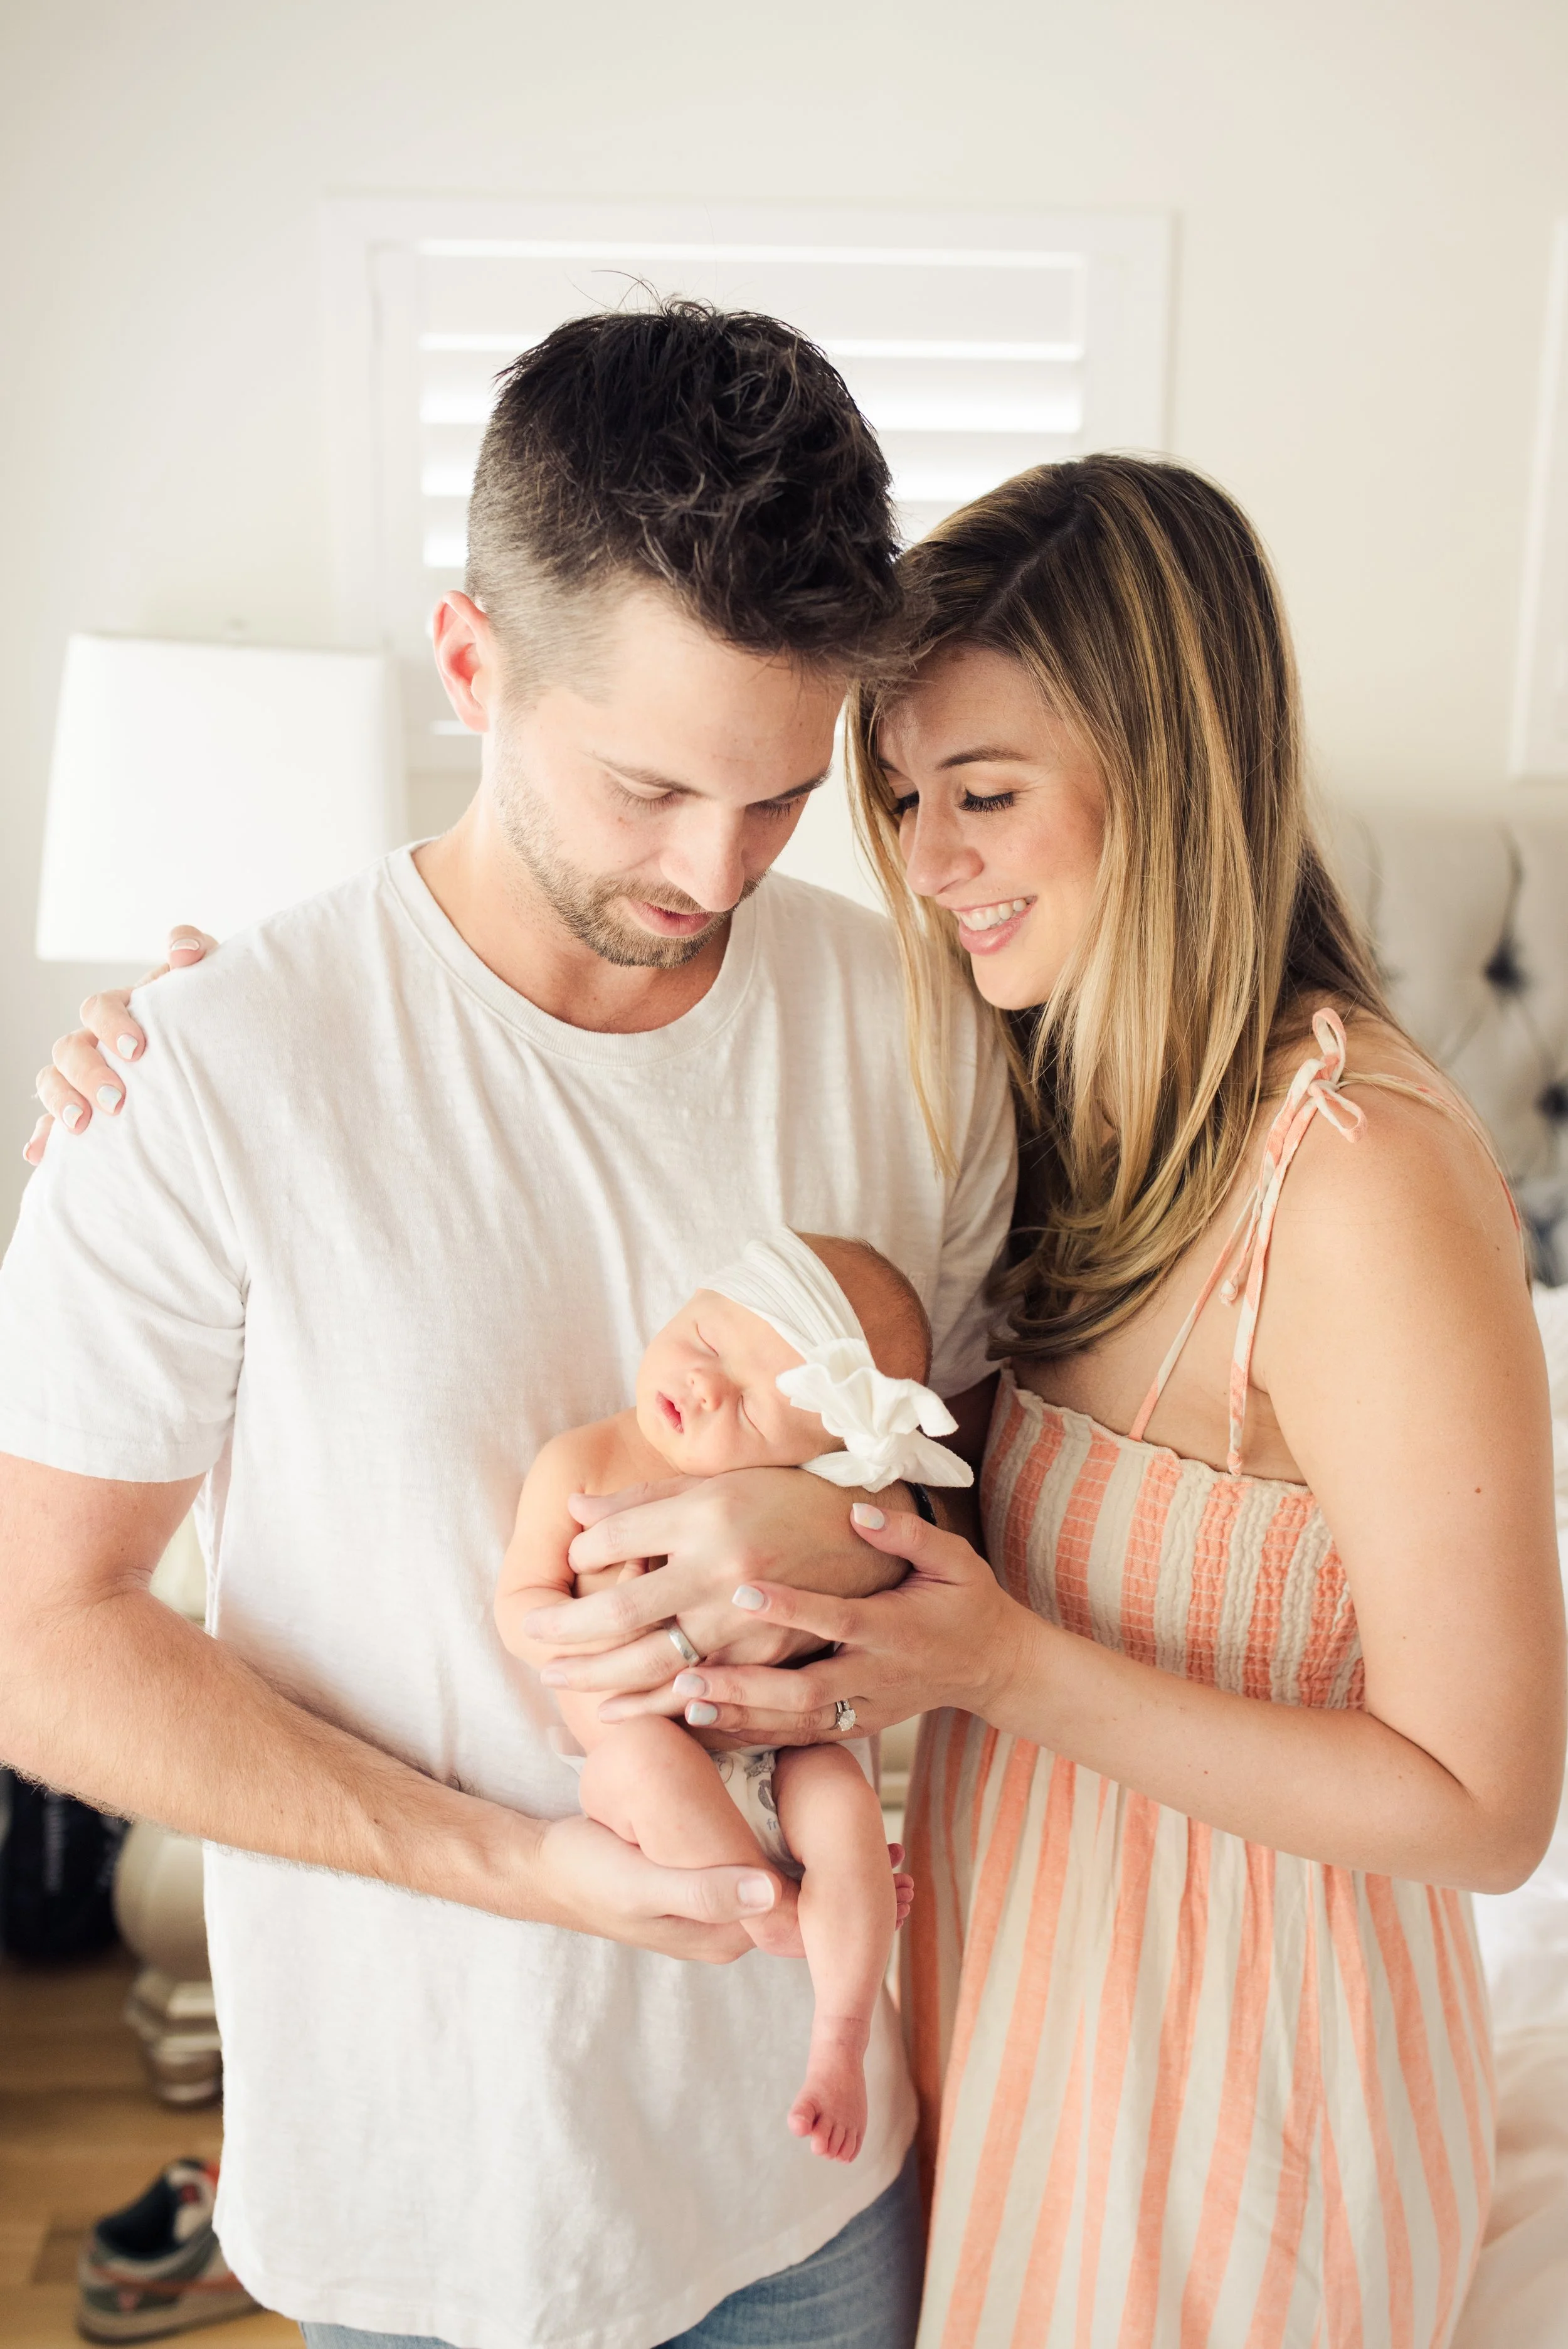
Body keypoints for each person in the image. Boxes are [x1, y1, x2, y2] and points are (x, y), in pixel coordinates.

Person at [0, 304, 1017, 2349]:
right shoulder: (208, 1077)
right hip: (425, 2198)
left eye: (776, 795)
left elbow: (984, 1489)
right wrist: (529, 1870)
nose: (710, 867)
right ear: (472, 665)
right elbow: (39, 1641)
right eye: (648, 785)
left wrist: (849, 1548)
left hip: (817, 2183)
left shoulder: (922, 1033)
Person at [516, 458, 1565, 2346]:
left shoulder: (1359, 1180)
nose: (927, 866)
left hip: (1256, 2097)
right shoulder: (1061, 1106)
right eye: (906, 801)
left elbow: (1487, 1805)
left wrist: (995, 1670)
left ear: (1172, 772)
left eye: (984, 795)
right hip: (1032, 2034)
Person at [499, 1227, 972, 2164]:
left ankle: (839, 2031)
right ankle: (778, 1914)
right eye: (707, 1341)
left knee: (838, 1795)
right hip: (646, 1755)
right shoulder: (583, 1464)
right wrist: (575, 1631)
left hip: (772, 1748)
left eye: (754, 1410)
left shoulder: (790, 1510)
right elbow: (521, 1597)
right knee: (645, 1761)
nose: (707, 1385)